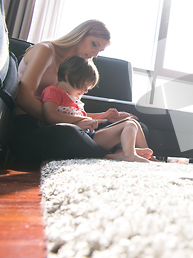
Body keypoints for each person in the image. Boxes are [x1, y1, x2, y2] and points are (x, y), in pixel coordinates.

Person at [10, 20, 139, 165]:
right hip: (30, 125)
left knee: (129, 125)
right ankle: (113, 153)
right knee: (70, 134)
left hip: (57, 123)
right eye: (94, 44)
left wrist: (104, 117)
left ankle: (121, 152)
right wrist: (60, 120)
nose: (94, 54)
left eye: (99, 51)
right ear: (81, 34)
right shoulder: (45, 50)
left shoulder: (77, 67)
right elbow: (22, 96)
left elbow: (71, 111)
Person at [40, 56, 151, 162]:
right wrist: (80, 121)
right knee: (129, 125)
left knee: (132, 122)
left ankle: (147, 157)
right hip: (77, 138)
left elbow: (83, 117)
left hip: (89, 135)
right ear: (67, 76)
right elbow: (50, 115)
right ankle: (129, 155)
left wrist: (103, 116)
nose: (85, 91)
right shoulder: (53, 91)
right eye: (84, 85)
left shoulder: (74, 99)